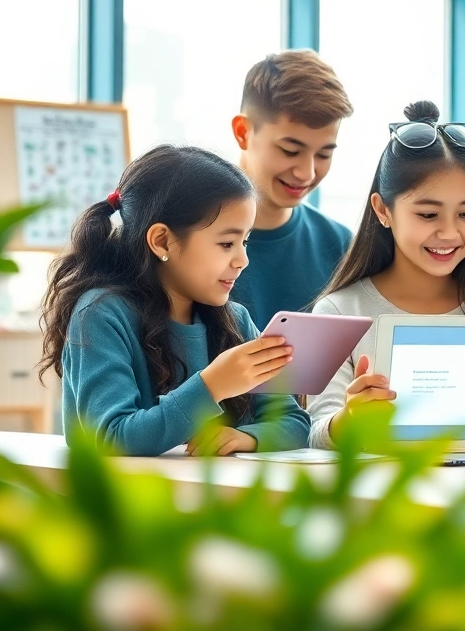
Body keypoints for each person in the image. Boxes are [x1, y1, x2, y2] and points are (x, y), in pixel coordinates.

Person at [307, 101, 465, 449]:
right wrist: (349, 419)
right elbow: (315, 436)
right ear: (383, 210)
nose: (449, 233)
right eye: (429, 215)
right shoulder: (338, 312)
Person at [41, 145, 310, 457]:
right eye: (226, 243)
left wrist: (247, 438)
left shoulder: (235, 320)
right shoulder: (101, 315)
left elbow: (295, 423)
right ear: (162, 241)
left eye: (244, 241)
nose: (243, 260)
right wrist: (211, 386)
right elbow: (110, 437)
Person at [229, 50, 355, 328]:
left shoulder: (343, 247)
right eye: (290, 150)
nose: (307, 173)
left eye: (324, 154)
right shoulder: (188, 240)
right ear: (242, 133)